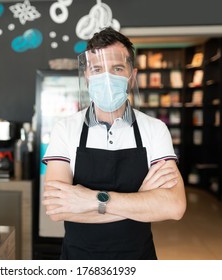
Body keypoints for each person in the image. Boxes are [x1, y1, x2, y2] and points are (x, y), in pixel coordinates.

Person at [41, 27, 186, 260]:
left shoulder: (155, 129)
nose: (106, 78)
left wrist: (90, 200)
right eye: (97, 69)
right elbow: (57, 208)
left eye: (117, 68)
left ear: (132, 75)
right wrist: (140, 199)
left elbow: (174, 207)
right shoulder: (65, 129)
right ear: (87, 75)